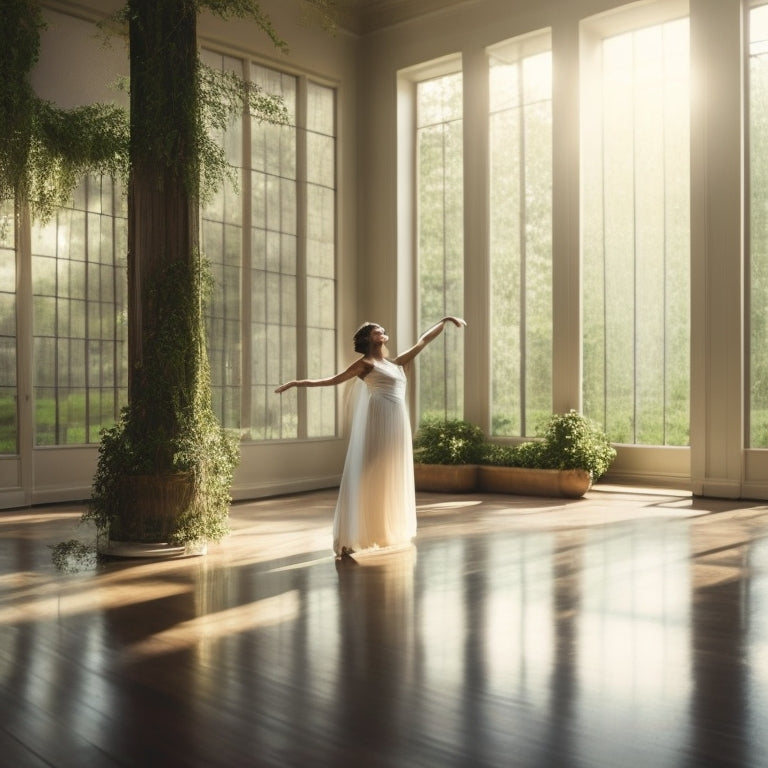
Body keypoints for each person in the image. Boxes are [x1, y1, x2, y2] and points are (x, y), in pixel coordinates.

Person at [275, 316, 466, 557]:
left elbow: (422, 342)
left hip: (397, 421)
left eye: (383, 329)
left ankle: (382, 530)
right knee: (370, 470)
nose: (383, 332)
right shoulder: (364, 364)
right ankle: (352, 534)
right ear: (368, 338)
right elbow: (332, 380)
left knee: (391, 471)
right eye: (378, 331)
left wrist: (446, 320)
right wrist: (295, 383)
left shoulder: (394, 363)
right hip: (379, 419)